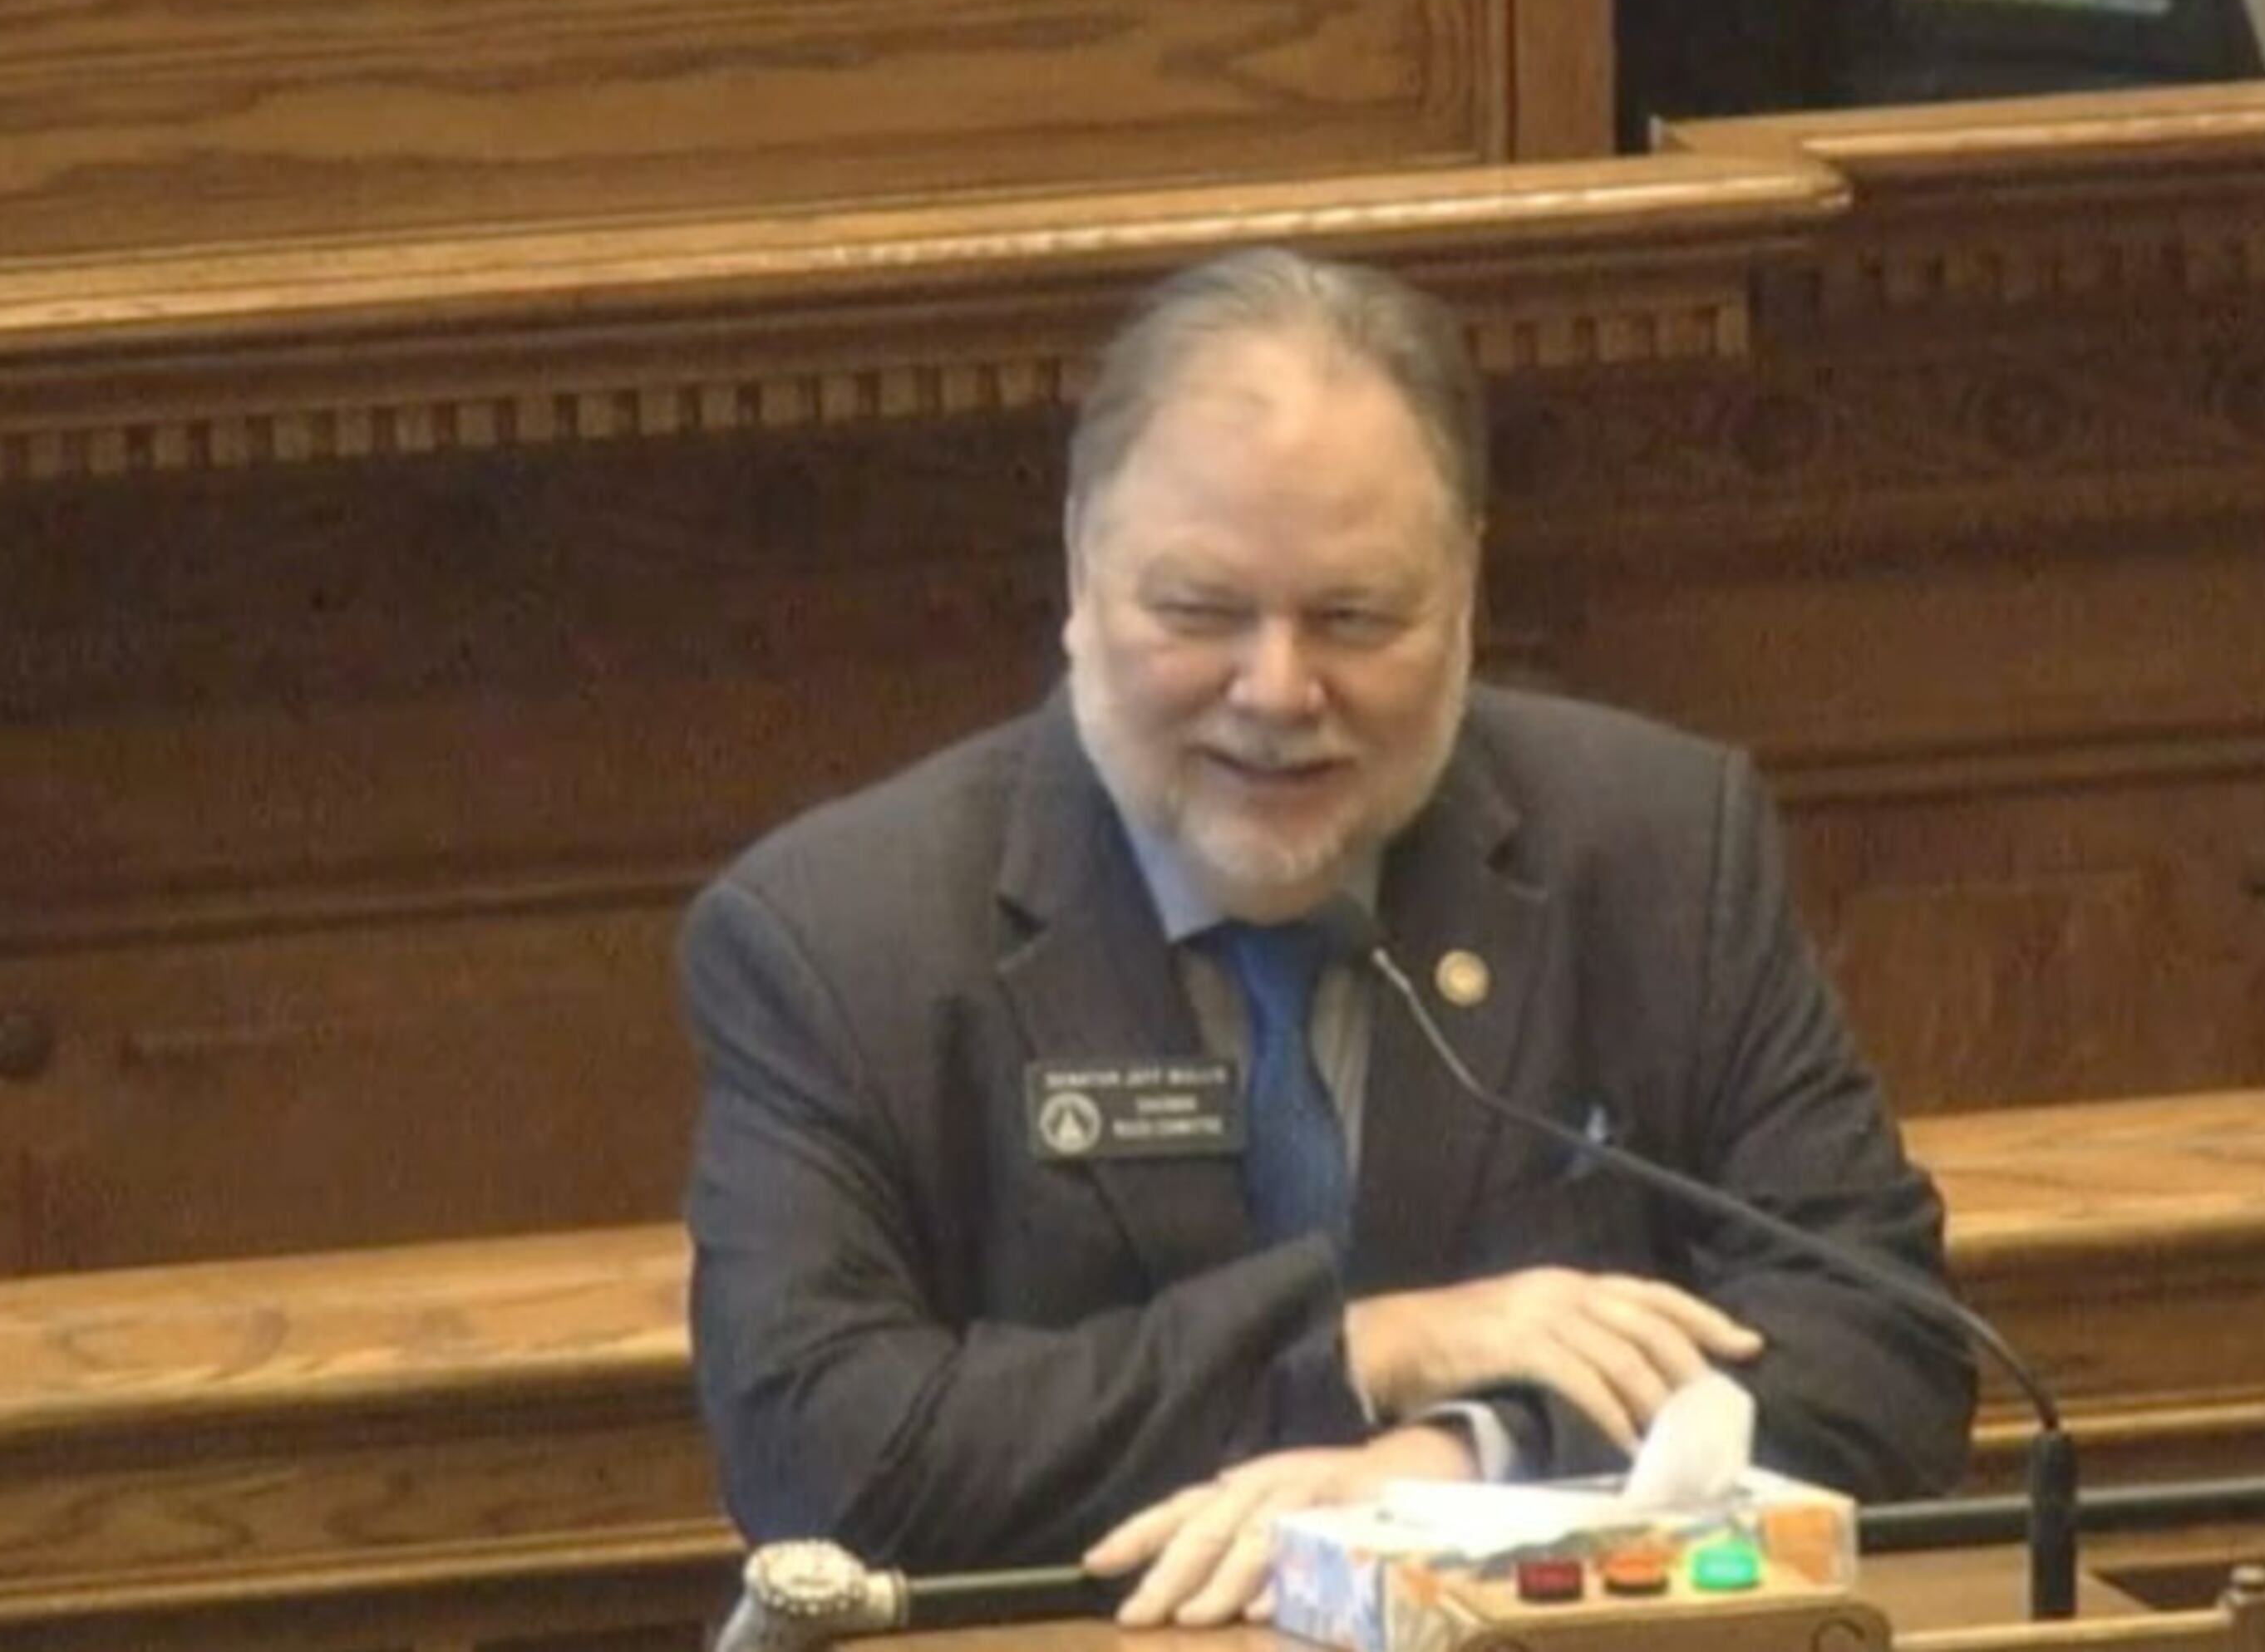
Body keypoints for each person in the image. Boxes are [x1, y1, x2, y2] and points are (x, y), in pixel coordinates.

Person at [679, 247, 1973, 1625]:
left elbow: (1887, 1346)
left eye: (1355, 618)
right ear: (1079, 571)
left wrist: (1464, 1469)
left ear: (1465, 591)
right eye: (1201, 612)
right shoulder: (842, 939)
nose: (1279, 690)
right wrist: (1365, 1352)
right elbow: (828, 1455)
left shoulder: (1655, 852)